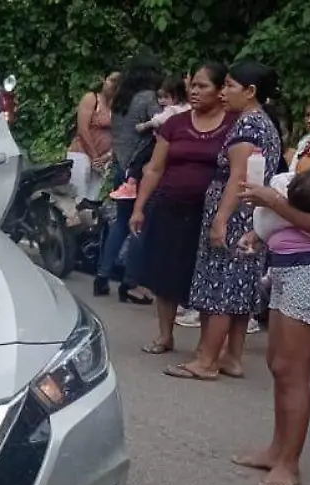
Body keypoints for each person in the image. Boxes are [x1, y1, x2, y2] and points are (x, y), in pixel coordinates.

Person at [237, 89, 310, 485]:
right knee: (279, 364)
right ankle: (277, 450)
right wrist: (261, 233)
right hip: (286, 267)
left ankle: (289, 463)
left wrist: (272, 202)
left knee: (294, 371)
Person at [165, 61, 283, 382]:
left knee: (220, 284)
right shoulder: (262, 123)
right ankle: (232, 357)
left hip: (234, 212)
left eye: (230, 85)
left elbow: (238, 176)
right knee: (240, 284)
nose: (225, 92)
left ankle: (207, 360)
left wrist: (221, 219)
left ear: (250, 91)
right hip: (250, 214)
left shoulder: (248, 126)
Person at [132, 63, 237, 355]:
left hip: (210, 213)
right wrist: (139, 208)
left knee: (205, 276)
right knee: (164, 273)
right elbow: (154, 168)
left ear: (220, 91)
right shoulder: (174, 124)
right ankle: (165, 336)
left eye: (202, 86)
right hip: (170, 206)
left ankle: (207, 346)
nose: (194, 91)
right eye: (192, 85)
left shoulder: (233, 125)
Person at [95, 53, 162, 303]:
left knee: (121, 223)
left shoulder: (121, 98)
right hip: (140, 170)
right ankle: (131, 283)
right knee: (140, 224)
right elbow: (162, 126)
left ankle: (102, 275)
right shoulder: (148, 99)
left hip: (120, 168)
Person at [66, 70, 117, 203]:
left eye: (118, 82)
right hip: (82, 154)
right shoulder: (91, 98)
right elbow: (82, 129)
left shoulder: (117, 107)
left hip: (103, 159)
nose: (113, 85)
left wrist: (107, 156)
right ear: (103, 80)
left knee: (92, 201)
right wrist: (94, 157)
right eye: (112, 80)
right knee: (77, 198)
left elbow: (119, 134)